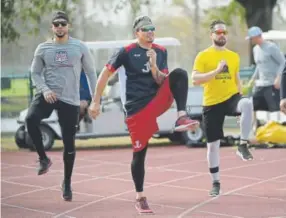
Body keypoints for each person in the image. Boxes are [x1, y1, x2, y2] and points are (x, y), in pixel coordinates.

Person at [88, 15, 199, 214]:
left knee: (180, 74)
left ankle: (181, 115)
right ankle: (140, 196)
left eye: (152, 28)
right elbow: (105, 75)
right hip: (136, 109)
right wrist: (95, 102)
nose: (150, 32)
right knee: (140, 153)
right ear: (136, 32)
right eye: (146, 29)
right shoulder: (126, 52)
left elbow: (161, 80)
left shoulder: (160, 51)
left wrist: (154, 65)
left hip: (156, 101)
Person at [26, 11, 96, 201]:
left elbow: (91, 73)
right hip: (47, 95)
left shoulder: (79, 47)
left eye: (62, 24)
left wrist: (94, 98)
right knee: (30, 119)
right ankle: (43, 158)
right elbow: (35, 73)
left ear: (68, 26)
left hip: (70, 99)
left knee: (69, 143)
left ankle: (66, 182)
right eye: (56, 24)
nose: (59, 27)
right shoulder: (43, 48)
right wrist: (45, 89)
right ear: (52, 27)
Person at [192, 20, 254, 197]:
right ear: (211, 35)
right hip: (212, 102)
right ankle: (216, 182)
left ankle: (242, 145)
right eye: (218, 32)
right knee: (212, 146)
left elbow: (236, 79)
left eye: (224, 32)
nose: (221, 35)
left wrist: (240, 107)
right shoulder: (203, 56)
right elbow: (195, 79)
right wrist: (216, 71)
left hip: (231, 97)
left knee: (247, 103)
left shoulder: (233, 56)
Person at [246, 26, 285, 127]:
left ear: (257, 36)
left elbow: (283, 62)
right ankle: (255, 128)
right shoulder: (255, 50)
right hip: (261, 84)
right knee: (251, 106)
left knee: (279, 107)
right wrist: (253, 79)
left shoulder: (271, 47)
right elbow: (259, 66)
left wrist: (279, 77)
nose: (250, 40)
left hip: (273, 84)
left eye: (251, 38)